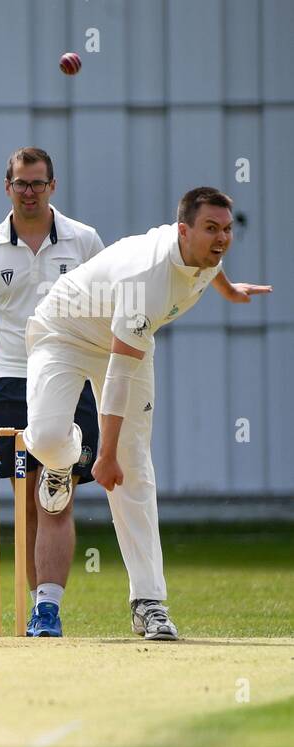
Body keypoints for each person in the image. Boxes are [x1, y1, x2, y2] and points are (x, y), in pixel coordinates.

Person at [22, 187, 271, 639]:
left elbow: (208, 267)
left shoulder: (205, 254)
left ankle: (148, 603)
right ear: (183, 230)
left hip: (125, 342)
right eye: (211, 229)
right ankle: (61, 463)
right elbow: (117, 373)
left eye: (227, 229)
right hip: (64, 331)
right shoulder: (147, 279)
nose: (221, 239)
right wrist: (104, 453)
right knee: (44, 439)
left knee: (133, 469)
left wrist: (229, 288)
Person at [0, 146, 105, 637]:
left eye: (37, 183)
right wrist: (13, 362)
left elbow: (106, 308)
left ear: (52, 187)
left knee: (55, 495)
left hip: (69, 378)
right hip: (10, 381)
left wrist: (69, 362)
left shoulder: (83, 240)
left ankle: (49, 606)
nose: (29, 191)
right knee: (25, 499)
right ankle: (38, 607)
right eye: (20, 183)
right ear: (8, 187)